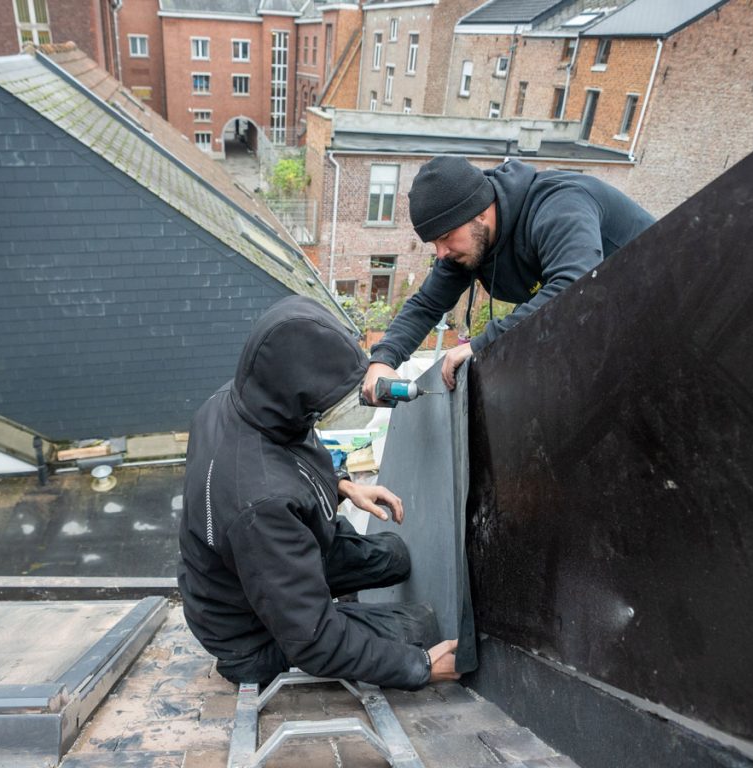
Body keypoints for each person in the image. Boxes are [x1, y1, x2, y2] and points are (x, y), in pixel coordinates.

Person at [178, 296, 459, 690]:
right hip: (249, 636)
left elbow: (293, 453)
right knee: (423, 628)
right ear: (294, 395)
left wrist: (342, 485)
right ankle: (329, 620)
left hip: (253, 567)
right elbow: (314, 642)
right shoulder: (259, 503)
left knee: (395, 556)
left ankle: (320, 600)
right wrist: (421, 667)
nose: (322, 413)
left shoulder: (241, 401)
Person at [362, 155, 655, 403]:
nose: (441, 253)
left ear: (480, 214)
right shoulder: (470, 244)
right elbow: (427, 304)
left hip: (662, 308)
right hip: (604, 324)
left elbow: (575, 289)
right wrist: (383, 359)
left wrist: (482, 343)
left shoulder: (560, 205)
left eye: (445, 238)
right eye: (434, 243)